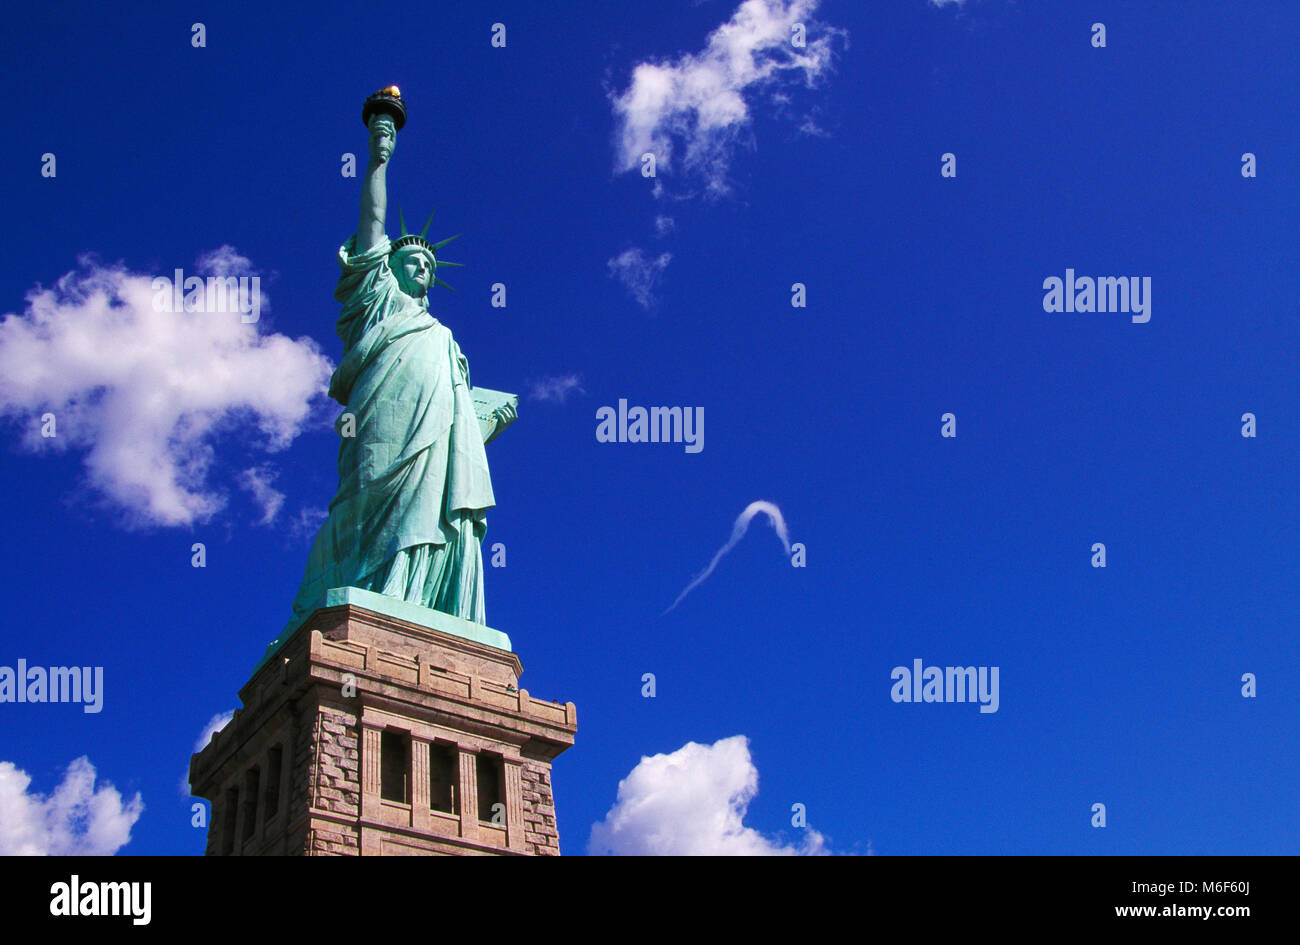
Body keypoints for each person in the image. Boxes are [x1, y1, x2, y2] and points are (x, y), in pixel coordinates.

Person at [277, 109, 515, 642]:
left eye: (428, 267)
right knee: (364, 498)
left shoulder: (443, 337)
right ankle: (367, 593)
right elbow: (373, 223)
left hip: (436, 432)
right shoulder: (377, 301)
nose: (421, 269)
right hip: (382, 420)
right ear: (389, 268)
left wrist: (482, 417)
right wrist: (378, 157)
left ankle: (420, 600)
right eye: (410, 261)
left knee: (434, 500)